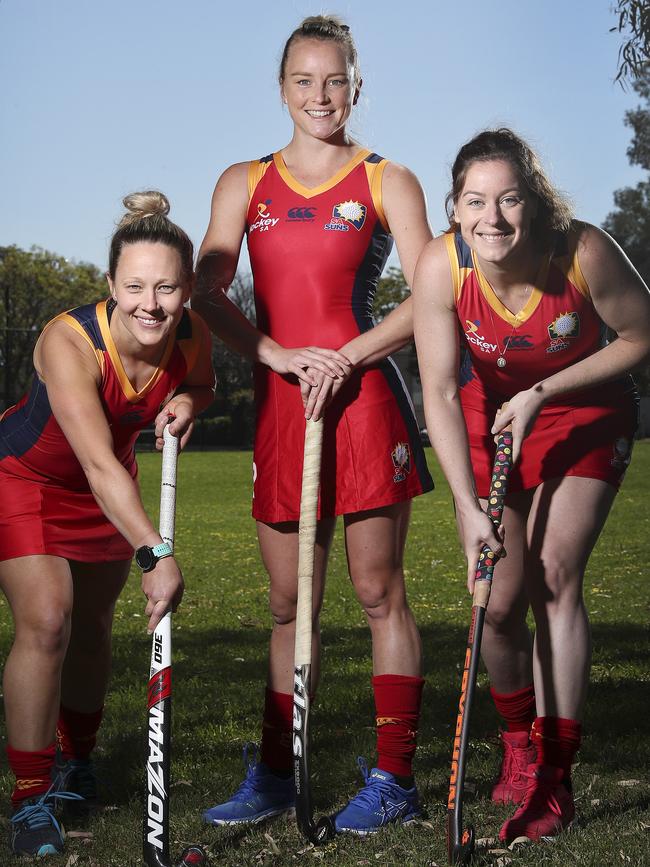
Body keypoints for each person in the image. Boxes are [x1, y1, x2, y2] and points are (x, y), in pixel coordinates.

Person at [193, 15, 433, 835]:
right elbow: (206, 291)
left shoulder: (387, 177)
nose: (320, 95)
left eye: (336, 79)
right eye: (305, 80)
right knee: (287, 600)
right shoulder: (243, 181)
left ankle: (394, 777)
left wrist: (342, 356)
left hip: (363, 399)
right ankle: (275, 769)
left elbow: (429, 297)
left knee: (377, 591)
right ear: (282, 86)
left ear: (356, 84)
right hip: (283, 404)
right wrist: (279, 354)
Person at [412, 128, 650, 842]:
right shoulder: (439, 266)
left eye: (510, 199)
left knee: (552, 575)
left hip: (583, 410)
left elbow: (642, 333)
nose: (494, 217)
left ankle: (557, 776)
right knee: (498, 596)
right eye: (476, 200)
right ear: (455, 207)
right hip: (493, 423)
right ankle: (519, 741)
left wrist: (544, 389)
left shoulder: (582, 251)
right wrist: (465, 505)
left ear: (534, 201)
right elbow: (442, 395)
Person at [0, 191, 215, 857]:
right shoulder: (69, 341)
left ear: (188, 289)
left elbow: (201, 384)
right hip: (29, 481)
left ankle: (77, 762)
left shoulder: (191, 335)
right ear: (111, 285)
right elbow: (94, 458)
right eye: (135, 286)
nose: (150, 303)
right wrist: (155, 552)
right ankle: (30, 796)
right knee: (49, 620)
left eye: (166, 287)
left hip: (109, 492)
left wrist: (186, 400)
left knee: (93, 630)